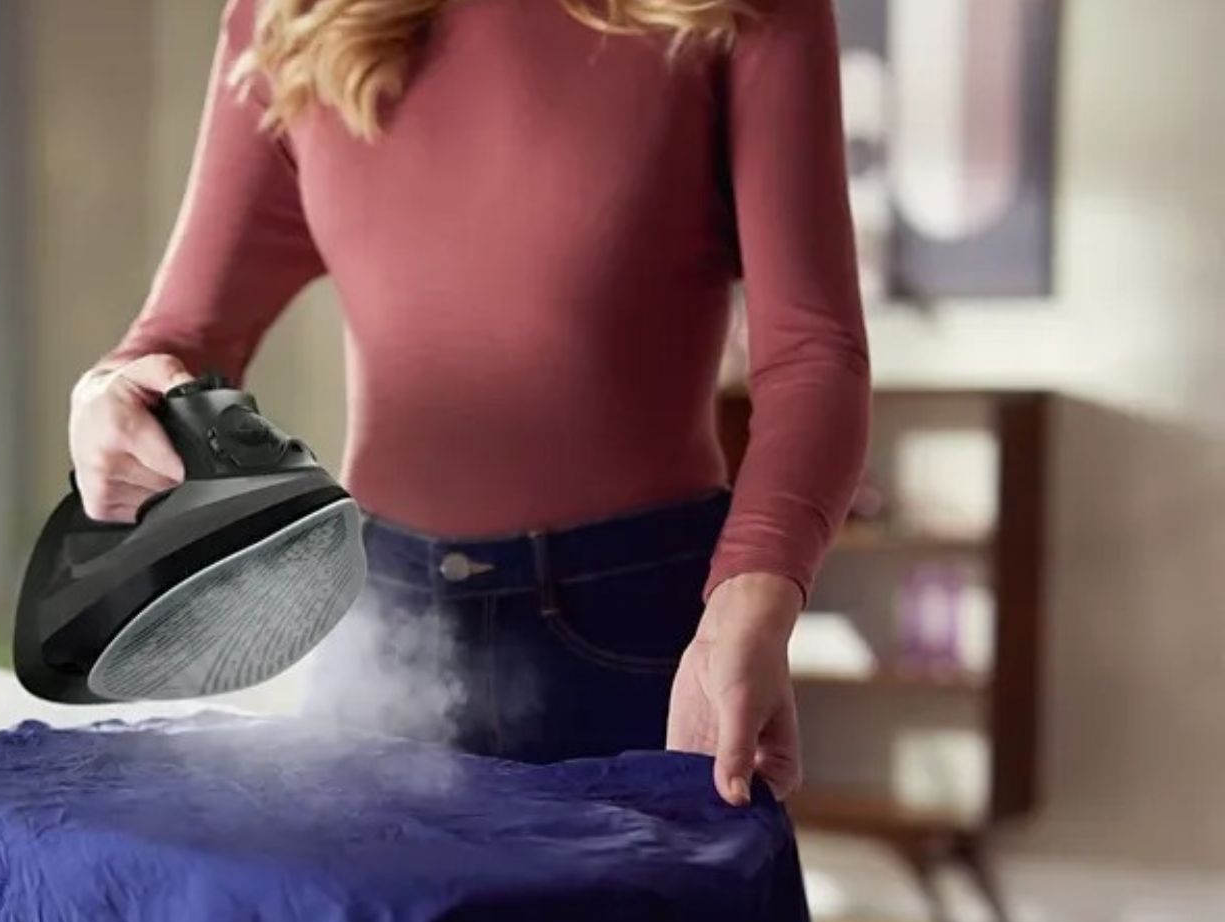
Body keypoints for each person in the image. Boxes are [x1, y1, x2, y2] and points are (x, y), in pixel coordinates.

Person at [68, 0, 868, 807]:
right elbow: (184, 335)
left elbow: (813, 352)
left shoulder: (743, 12)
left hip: (642, 635)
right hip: (374, 622)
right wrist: (109, 397)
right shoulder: (289, 13)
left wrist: (752, 601)